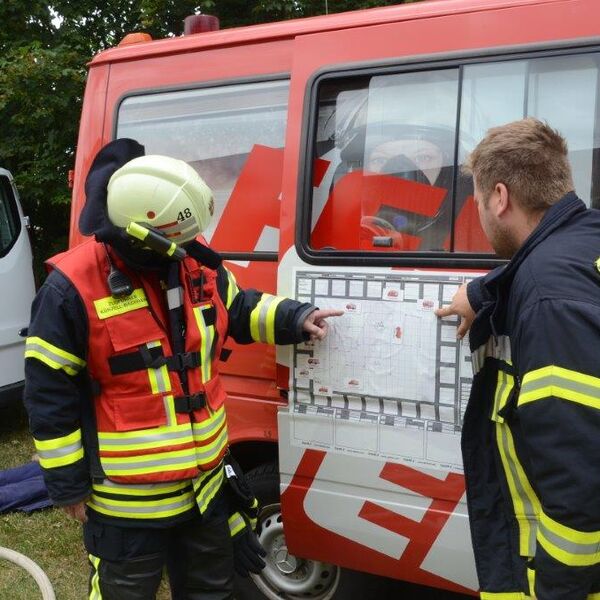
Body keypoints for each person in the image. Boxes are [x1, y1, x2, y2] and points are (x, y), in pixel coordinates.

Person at [23, 139, 342, 600]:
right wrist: (67, 483)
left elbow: (237, 306)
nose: (189, 249)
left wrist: (293, 318)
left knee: (211, 592)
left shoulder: (189, 259)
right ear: (140, 235)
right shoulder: (70, 290)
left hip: (205, 489)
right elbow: (48, 393)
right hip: (128, 503)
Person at [435, 118, 600, 600]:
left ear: (500, 198)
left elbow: (579, 490)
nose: (481, 215)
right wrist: (487, 290)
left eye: (479, 201)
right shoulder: (582, 242)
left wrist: (557, 590)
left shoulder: (549, 299)